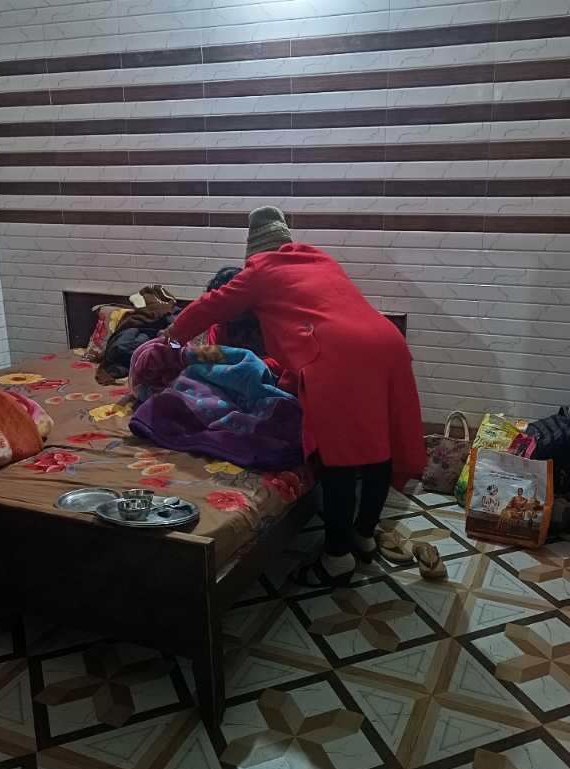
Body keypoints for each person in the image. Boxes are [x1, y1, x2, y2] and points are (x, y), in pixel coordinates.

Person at [165, 207, 425, 586]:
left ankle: (337, 558)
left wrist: (171, 336)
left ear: (254, 252)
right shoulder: (320, 260)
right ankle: (364, 536)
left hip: (339, 354)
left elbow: (211, 304)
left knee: (337, 459)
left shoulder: (261, 271)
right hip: (386, 343)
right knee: (378, 446)